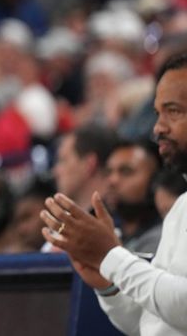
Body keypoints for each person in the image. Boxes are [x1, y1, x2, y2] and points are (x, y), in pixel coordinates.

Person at [41, 52, 187, 335]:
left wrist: (111, 256)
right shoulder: (181, 206)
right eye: (158, 113)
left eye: (174, 111)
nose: (159, 128)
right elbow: (152, 323)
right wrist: (107, 283)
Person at [103, 139, 162, 256]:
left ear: (155, 181)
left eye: (126, 171)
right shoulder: (109, 229)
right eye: (108, 172)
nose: (112, 180)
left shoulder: (164, 238)